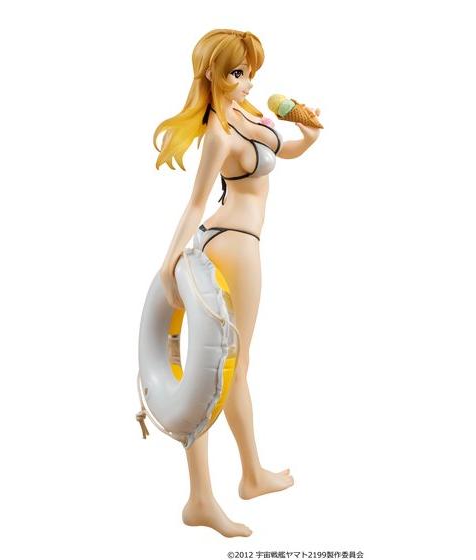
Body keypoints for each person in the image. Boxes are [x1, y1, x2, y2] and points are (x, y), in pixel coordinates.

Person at [153, 28, 321, 537]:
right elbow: (195, 202)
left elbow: (279, 154)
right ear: (212, 72)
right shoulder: (218, 134)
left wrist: (307, 139)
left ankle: (248, 475)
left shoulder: (245, 112)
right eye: (237, 72)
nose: (247, 82)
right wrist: (169, 263)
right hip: (232, 245)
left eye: (250, 72)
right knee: (221, 372)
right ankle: (204, 497)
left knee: (232, 368)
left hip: (238, 243)